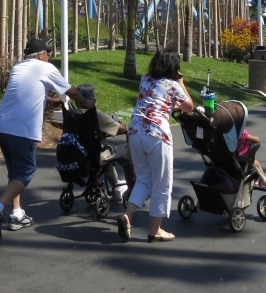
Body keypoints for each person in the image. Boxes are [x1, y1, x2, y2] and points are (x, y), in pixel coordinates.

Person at [0, 38, 94, 241]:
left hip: (3, 125)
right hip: (21, 128)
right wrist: (87, 103)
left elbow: (26, 92)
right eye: (48, 53)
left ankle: (16, 215)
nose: (49, 56)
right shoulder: (45, 67)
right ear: (40, 55)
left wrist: (52, 100)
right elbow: (73, 92)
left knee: (15, 172)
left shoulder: (18, 68)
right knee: (26, 171)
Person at [117, 50, 193, 244]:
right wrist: (181, 83)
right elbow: (189, 107)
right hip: (157, 135)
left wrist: (170, 105)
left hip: (135, 133)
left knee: (144, 180)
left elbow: (155, 100)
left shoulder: (145, 78)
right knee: (162, 183)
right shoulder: (174, 85)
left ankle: (127, 215)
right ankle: (155, 230)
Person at [75, 83, 129, 202]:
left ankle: (115, 183)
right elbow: (122, 129)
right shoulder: (95, 114)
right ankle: (133, 183)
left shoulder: (72, 114)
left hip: (78, 155)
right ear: (93, 100)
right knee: (126, 149)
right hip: (96, 156)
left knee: (106, 154)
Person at [236, 128, 266, 195]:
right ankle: (264, 182)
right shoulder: (242, 133)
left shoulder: (224, 136)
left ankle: (257, 181)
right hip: (243, 162)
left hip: (231, 162)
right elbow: (256, 140)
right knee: (256, 163)